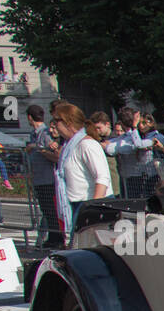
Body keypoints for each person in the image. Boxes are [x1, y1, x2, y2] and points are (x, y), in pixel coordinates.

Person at [50, 103, 110, 240]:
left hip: (88, 204)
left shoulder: (87, 144)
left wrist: (94, 209)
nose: (54, 126)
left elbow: (102, 178)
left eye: (56, 121)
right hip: (76, 204)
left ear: (67, 123)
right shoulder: (69, 146)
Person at [26, 104, 59, 245]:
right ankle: (51, 238)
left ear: (29, 117)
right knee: (46, 211)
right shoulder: (34, 134)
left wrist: (37, 148)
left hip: (47, 178)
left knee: (50, 212)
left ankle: (55, 238)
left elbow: (54, 151)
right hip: (40, 178)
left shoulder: (44, 133)